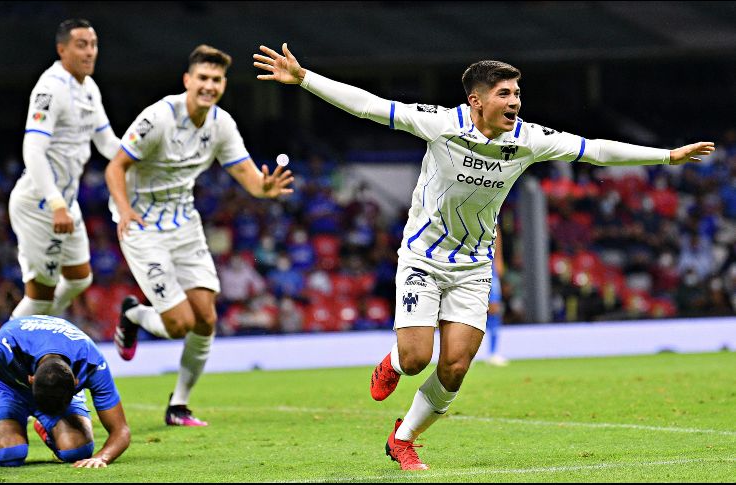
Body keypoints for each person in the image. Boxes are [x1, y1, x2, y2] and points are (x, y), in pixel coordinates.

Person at [253, 43, 715, 470]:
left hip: (473, 265)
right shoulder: (440, 123)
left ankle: (404, 438)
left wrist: (667, 156)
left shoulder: (529, 139)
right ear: (477, 100)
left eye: (517, 93)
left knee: (454, 367)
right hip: (422, 258)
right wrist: (305, 79)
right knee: (416, 359)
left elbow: (593, 150)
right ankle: (392, 364)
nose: (515, 102)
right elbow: (371, 106)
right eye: (505, 94)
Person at [105, 45, 294, 427]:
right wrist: (124, 210)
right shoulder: (157, 118)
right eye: (203, 78)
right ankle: (135, 315)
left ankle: (179, 405)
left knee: (205, 318)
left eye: (216, 79)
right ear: (188, 81)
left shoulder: (221, 125)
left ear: (223, 84)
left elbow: (247, 176)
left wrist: (265, 188)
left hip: (184, 224)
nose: (209, 85)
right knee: (178, 325)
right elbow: (115, 167)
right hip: (142, 226)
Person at [8, 19, 120, 320]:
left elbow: (108, 143)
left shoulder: (89, 88)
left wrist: (145, 157)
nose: (90, 52)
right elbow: (33, 149)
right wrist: (56, 204)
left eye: (93, 45)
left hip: (66, 204)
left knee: (80, 277)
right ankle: (0, 357)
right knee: (41, 294)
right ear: (62, 49)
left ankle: (36, 330)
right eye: (81, 45)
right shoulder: (50, 88)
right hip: (39, 203)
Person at [0, 315, 130, 473]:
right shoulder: (4, 345)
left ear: (75, 383)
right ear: (31, 379)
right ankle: (22, 417)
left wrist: (102, 457)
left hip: (56, 387)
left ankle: (46, 427)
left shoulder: (92, 361)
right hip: (6, 386)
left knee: (78, 450)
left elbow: (121, 430)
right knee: (9, 453)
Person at [485, 231, 508, 366]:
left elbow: (496, 230)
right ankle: (464, 352)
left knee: (494, 307)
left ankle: (493, 352)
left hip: (488, 263)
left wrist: (498, 258)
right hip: (466, 261)